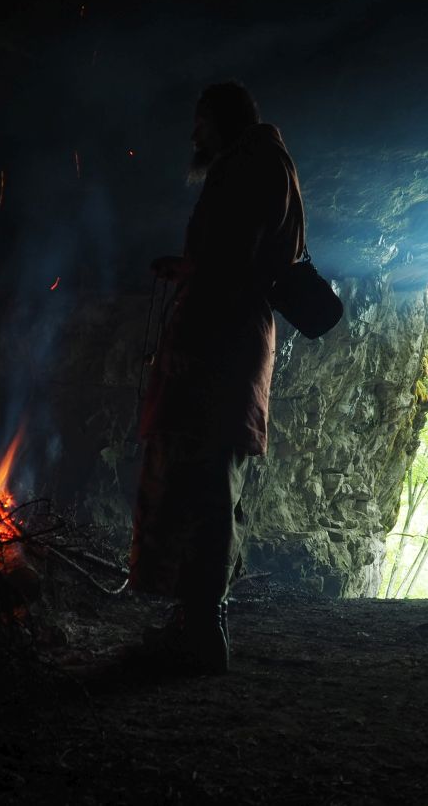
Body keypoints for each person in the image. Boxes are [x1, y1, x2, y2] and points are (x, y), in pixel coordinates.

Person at [128, 81, 305, 674]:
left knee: (206, 485)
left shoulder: (251, 165)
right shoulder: (256, 163)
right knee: (199, 481)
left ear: (224, 120)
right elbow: (239, 257)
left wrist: (198, 278)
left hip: (221, 347)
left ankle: (204, 633)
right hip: (223, 339)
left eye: (201, 121)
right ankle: (193, 624)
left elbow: (235, 261)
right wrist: (188, 270)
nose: (193, 135)